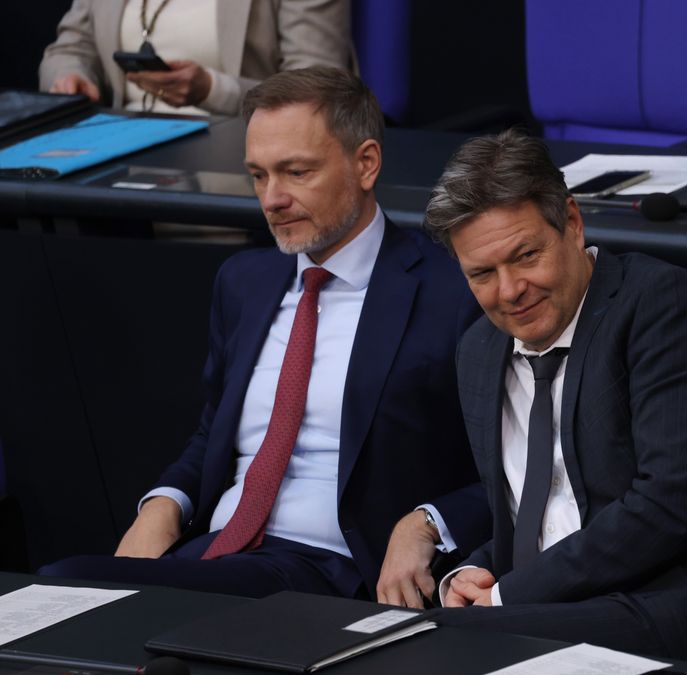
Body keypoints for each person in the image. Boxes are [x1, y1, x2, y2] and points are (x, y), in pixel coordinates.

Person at [39, 67, 489, 607]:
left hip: (333, 571)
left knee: (63, 587)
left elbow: (518, 466)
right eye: (258, 176)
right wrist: (163, 506)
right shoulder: (244, 281)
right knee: (53, 603)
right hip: (216, 555)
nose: (272, 199)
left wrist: (425, 525)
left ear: (366, 163)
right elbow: (214, 435)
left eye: (296, 172)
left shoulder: (453, 291)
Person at [418, 129, 687, 666]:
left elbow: (671, 507)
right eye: (483, 274)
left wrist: (506, 598)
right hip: (568, 601)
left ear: (573, 222)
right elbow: (536, 512)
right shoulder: (479, 350)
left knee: (443, 643)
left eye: (526, 256)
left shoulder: (662, 307)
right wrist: (477, 572)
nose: (510, 290)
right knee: (412, 633)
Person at [39, 0, 354, 115]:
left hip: (238, 157)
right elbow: (70, 47)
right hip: (118, 155)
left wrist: (211, 90)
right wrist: (70, 77)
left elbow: (318, 89)